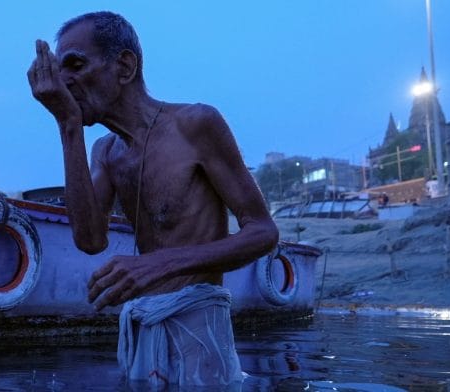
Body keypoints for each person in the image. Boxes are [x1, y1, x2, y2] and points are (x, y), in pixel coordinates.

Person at [27, 11, 279, 389]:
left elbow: (263, 232)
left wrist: (160, 264)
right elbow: (89, 240)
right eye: (58, 70)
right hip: (143, 322)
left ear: (125, 66)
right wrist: (68, 126)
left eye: (75, 64)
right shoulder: (106, 152)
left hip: (199, 323)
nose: (63, 82)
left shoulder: (195, 124)